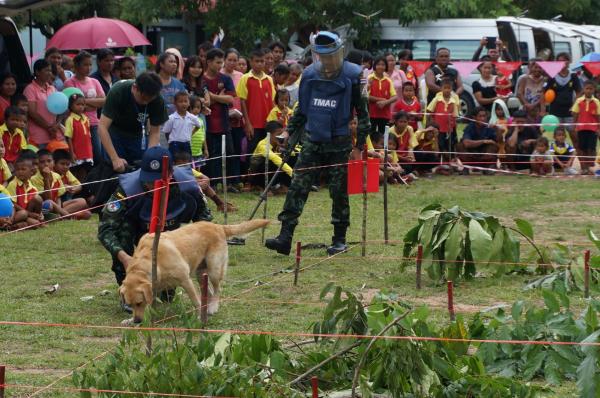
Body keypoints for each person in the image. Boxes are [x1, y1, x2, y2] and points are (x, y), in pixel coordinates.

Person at [265, 31, 370, 256]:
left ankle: (339, 238)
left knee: (338, 192)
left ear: (339, 53)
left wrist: (358, 146)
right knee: (297, 187)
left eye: (331, 56)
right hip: (312, 141)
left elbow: (363, 114)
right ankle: (285, 237)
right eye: (322, 57)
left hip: (340, 143)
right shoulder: (310, 75)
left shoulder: (355, 75)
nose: (327, 62)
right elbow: (301, 111)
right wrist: (288, 136)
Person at [97, 146, 212, 313]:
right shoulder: (128, 189)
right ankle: (129, 288)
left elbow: (205, 222)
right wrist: (125, 258)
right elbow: (105, 229)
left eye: (157, 180)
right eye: (148, 180)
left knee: (166, 297)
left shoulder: (187, 185)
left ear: (171, 174)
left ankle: (163, 285)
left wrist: (193, 250)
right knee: (121, 231)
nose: (152, 184)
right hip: (138, 229)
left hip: (170, 238)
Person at [99, 72, 168, 171]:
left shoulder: (157, 100)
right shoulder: (118, 91)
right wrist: (114, 158)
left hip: (139, 136)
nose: (146, 102)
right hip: (115, 134)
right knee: (115, 170)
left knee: (141, 168)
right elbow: (102, 127)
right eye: (143, 98)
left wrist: (149, 156)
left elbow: (155, 132)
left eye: (150, 100)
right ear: (134, 88)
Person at [64, 51, 106, 164]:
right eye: (85, 64)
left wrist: (82, 102)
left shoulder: (95, 81)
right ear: (77, 66)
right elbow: (71, 105)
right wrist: (92, 103)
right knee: (82, 157)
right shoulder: (69, 83)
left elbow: (103, 101)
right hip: (76, 125)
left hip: (93, 123)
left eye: (90, 64)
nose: (89, 68)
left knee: (98, 155)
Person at [203, 48, 236, 188]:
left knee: (229, 153)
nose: (220, 65)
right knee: (212, 155)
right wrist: (218, 97)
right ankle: (213, 183)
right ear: (209, 62)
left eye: (221, 62)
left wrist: (212, 95)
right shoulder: (201, 79)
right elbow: (205, 103)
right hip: (207, 124)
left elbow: (230, 99)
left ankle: (230, 184)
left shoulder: (225, 79)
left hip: (224, 123)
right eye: (217, 62)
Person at [237, 48, 276, 157]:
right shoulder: (245, 78)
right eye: (257, 61)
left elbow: (272, 101)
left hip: (268, 124)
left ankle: (263, 175)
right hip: (253, 124)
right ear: (251, 62)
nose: (259, 64)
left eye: (262, 61)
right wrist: (248, 123)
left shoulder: (269, 79)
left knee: (267, 154)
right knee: (252, 153)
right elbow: (242, 102)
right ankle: (250, 174)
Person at [544, 53, 582, 149]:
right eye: (559, 61)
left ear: (569, 62)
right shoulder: (552, 76)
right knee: (558, 138)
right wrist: (543, 109)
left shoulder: (573, 76)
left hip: (569, 112)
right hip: (555, 112)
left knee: (575, 137)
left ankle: (579, 159)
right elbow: (544, 92)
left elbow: (579, 92)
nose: (562, 63)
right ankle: (560, 161)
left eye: (564, 60)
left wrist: (574, 106)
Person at [24, 59, 62, 149]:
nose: (49, 73)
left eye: (50, 70)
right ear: (37, 72)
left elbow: (61, 107)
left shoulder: (52, 88)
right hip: (38, 136)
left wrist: (57, 124)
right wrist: (48, 127)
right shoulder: (30, 89)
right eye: (46, 70)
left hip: (54, 134)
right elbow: (32, 112)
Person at [248, 120, 293, 191]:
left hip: (272, 173)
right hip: (256, 175)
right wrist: (294, 175)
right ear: (269, 134)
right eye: (279, 134)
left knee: (291, 156)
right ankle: (261, 186)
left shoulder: (279, 143)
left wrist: (285, 148)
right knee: (271, 161)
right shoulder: (263, 144)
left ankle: (285, 185)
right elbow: (275, 159)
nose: (281, 137)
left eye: (282, 134)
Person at [222, 49, 245, 183]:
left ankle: (235, 180)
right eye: (229, 60)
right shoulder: (219, 75)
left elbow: (242, 98)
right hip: (222, 118)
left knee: (236, 149)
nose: (232, 63)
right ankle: (223, 180)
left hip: (238, 119)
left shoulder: (241, 76)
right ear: (224, 60)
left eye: (234, 60)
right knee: (225, 151)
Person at [457, 107, 500, 173]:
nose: (483, 119)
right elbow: (466, 143)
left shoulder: (489, 127)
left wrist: (497, 130)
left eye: (484, 116)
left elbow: (498, 141)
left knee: (493, 146)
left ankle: (486, 167)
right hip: (471, 154)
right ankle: (466, 167)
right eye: (480, 116)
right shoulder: (470, 127)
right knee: (460, 145)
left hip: (484, 154)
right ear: (474, 118)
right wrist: (483, 141)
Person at [426, 78, 459, 161]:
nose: (447, 90)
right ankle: (438, 162)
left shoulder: (453, 101)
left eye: (449, 88)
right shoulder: (437, 99)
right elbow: (429, 110)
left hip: (449, 129)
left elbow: (455, 116)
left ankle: (448, 162)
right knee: (440, 145)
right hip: (439, 128)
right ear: (441, 89)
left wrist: (454, 126)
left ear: (452, 89)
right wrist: (429, 123)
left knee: (450, 145)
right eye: (445, 88)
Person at [571, 80, 600, 174]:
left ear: (594, 90)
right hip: (581, 129)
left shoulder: (596, 102)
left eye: (591, 89)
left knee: (591, 148)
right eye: (587, 88)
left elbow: (598, 116)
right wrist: (574, 127)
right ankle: (584, 168)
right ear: (583, 89)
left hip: (593, 129)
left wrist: (599, 128)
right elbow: (575, 113)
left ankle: (590, 166)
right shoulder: (579, 101)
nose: (588, 90)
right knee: (582, 149)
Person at [5, 155, 43, 227]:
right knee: (24, 214)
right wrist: (30, 214)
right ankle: (10, 225)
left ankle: (24, 223)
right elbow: (13, 204)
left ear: (31, 172)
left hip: (28, 213)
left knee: (38, 198)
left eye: (23, 169)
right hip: (16, 214)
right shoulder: (13, 184)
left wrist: (40, 214)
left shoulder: (32, 187)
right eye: (17, 170)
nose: (20, 172)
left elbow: (36, 202)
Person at [161, 91, 201, 156]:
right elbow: (166, 132)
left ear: (189, 103)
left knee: (187, 164)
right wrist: (171, 141)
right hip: (174, 145)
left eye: (185, 101)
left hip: (187, 144)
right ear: (175, 103)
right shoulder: (171, 118)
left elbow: (198, 125)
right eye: (180, 102)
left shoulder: (192, 117)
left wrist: (191, 133)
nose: (183, 104)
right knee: (175, 164)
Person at [64, 93, 93, 181]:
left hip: (87, 151)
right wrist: (72, 153)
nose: (81, 107)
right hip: (77, 152)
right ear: (71, 106)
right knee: (74, 172)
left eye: (83, 104)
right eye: (78, 104)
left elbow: (88, 136)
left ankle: (81, 190)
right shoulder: (70, 120)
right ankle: (74, 193)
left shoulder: (86, 118)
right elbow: (68, 137)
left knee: (84, 172)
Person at [368, 56, 397, 138]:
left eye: (383, 64)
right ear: (374, 66)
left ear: (386, 66)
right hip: (371, 114)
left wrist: (385, 102)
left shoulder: (388, 80)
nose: (380, 66)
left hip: (385, 114)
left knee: (384, 137)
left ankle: (382, 151)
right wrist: (380, 99)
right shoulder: (370, 79)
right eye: (378, 64)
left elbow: (395, 97)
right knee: (370, 136)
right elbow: (365, 96)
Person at [155, 52, 187, 117]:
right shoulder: (152, 82)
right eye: (171, 61)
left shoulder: (178, 83)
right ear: (161, 64)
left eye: (175, 62)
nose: (174, 64)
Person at [189, 95, 209, 168]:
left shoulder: (201, 121)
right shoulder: (188, 120)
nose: (196, 109)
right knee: (191, 171)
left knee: (198, 171)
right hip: (189, 152)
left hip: (199, 152)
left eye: (198, 107)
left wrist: (206, 149)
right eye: (194, 107)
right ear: (189, 108)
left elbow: (203, 136)